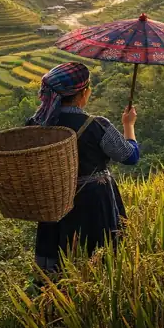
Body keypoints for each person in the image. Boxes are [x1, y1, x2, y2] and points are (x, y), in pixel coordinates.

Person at [26, 62, 139, 275]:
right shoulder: (95, 125)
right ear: (83, 94)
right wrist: (129, 125)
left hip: (54, 200)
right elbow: (130, 156)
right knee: (98, 257)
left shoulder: (34, 124)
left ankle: (57, 297)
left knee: (59, 256)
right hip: (93, 200)